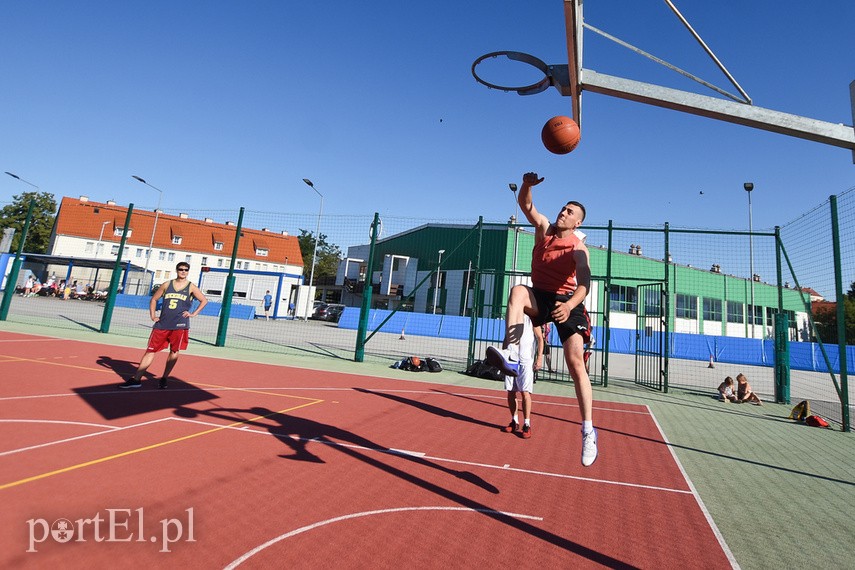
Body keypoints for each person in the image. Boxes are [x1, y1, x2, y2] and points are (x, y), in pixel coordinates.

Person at [485, 171, 598, 466]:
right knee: (518, 291)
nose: (564, 212)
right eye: (564, 208)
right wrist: (527, 185)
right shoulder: (544, 229)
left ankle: (588, 431)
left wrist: (571, 303)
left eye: (570, 212)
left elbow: (585, 283)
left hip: (569, 303)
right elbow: (526, 205)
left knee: (575, 364)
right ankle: (510, 354)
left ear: (578, 223)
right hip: (542, 296)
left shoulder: (578, 248)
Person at [118, 262, 208, 389]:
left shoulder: (191, 287)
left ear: (188, 271)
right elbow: (154, 299)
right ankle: (136, 379)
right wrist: (153, 315)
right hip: (162, 324)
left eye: (186, 270)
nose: (183, 271)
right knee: (150, 350)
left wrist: (194, 313)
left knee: (174, 351)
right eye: (181, 269)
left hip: (180, 325)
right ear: (177, 270)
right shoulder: (167, 284)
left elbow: (204, 300)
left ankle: (164, 377)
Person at [501, 315, 544, 439]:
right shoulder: (511, 316)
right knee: (511, 392)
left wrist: (539, 358)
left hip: (526, 360)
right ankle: (514, 421)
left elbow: (540, 338)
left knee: (525, 392)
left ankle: (527, 424)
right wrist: (503, 356)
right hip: (511, 358)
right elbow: (507, 337)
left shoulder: (531, 317)